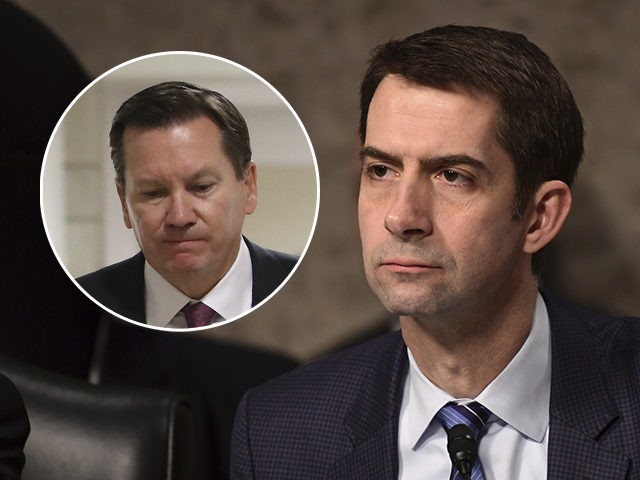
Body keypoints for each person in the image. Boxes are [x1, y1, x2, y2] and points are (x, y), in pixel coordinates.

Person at [230, 25, 640, 479]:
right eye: (381, 170)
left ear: (540, 217)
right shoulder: (278, 430)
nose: (401, 217)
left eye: (453, 176)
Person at [77, 81, 298, 328]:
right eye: (153, 192)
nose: (180, 217)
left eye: (201, 187)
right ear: (124, 203)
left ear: (249, 186)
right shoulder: (76, 304)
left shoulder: (303, 286)